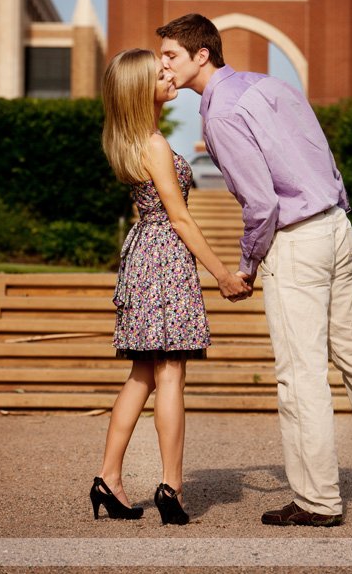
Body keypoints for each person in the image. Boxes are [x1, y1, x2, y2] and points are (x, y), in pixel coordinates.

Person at [156, 13, 352, 527]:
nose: (163, 65)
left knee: (301, 375)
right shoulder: (269, 84)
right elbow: (321, 153)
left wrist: (245, 265)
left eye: (170, 55)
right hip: (334, 226)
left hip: (297, 240)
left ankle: (318, 501)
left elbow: (260, 204)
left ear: (201, 55)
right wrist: (337, 209)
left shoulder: (219, 116)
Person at [91, 48, 250, 526]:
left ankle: (108, 479)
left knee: (142, 373)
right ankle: (171, 487)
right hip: (164, 255)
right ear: (140, 89)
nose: (168, 75)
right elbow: (179, 217)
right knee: (170, 374)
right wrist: (222, 273)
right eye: (158, 73)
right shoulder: (155, 144)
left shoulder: (131, 139)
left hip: (143, 254)